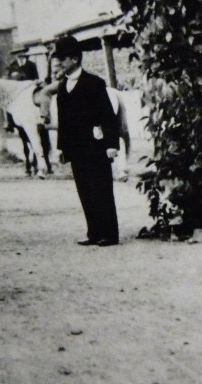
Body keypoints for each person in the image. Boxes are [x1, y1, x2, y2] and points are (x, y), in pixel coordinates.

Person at [52, 35, 120, 247]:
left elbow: (108, 116)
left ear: (74, 59)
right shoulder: (63, 87)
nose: (59, 63)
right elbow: (63, 121)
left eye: (62, 59)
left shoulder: (94, 84)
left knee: (101, 189)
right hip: (76, 149)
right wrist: (61, 148)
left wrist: (111, 144)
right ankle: (94, 231)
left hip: (96, 146)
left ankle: (109, 234)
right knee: (84, 190)